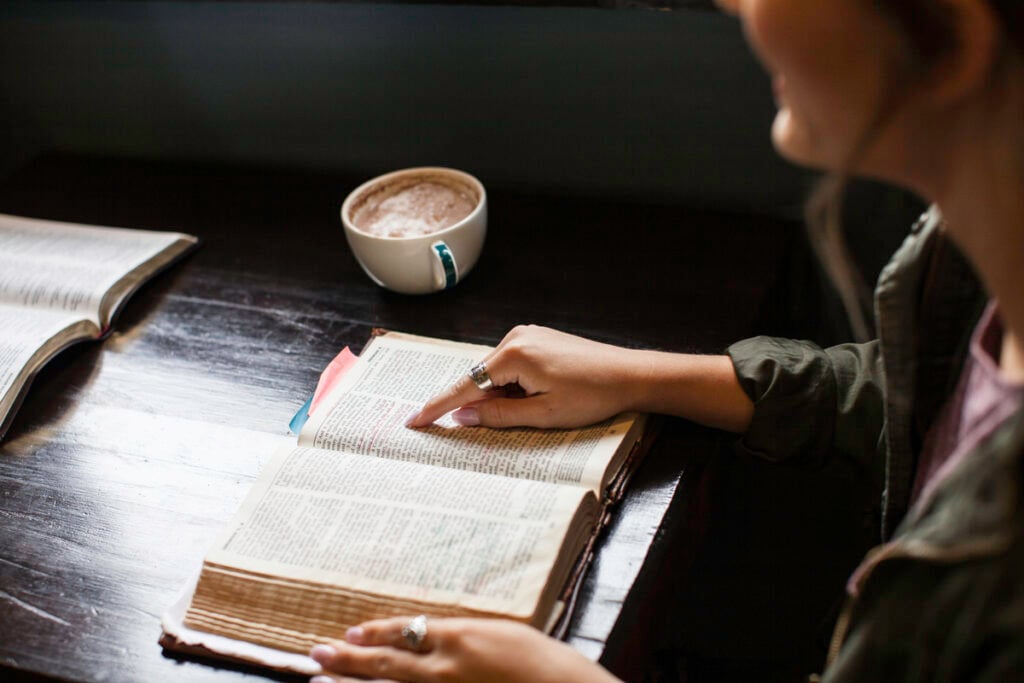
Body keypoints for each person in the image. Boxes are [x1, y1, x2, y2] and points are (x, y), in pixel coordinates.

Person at [309, 0, 1024, 680]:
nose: (735, 7)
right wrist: (639, 375)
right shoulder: (978, 272)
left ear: (954, 40)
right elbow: (902, 395)